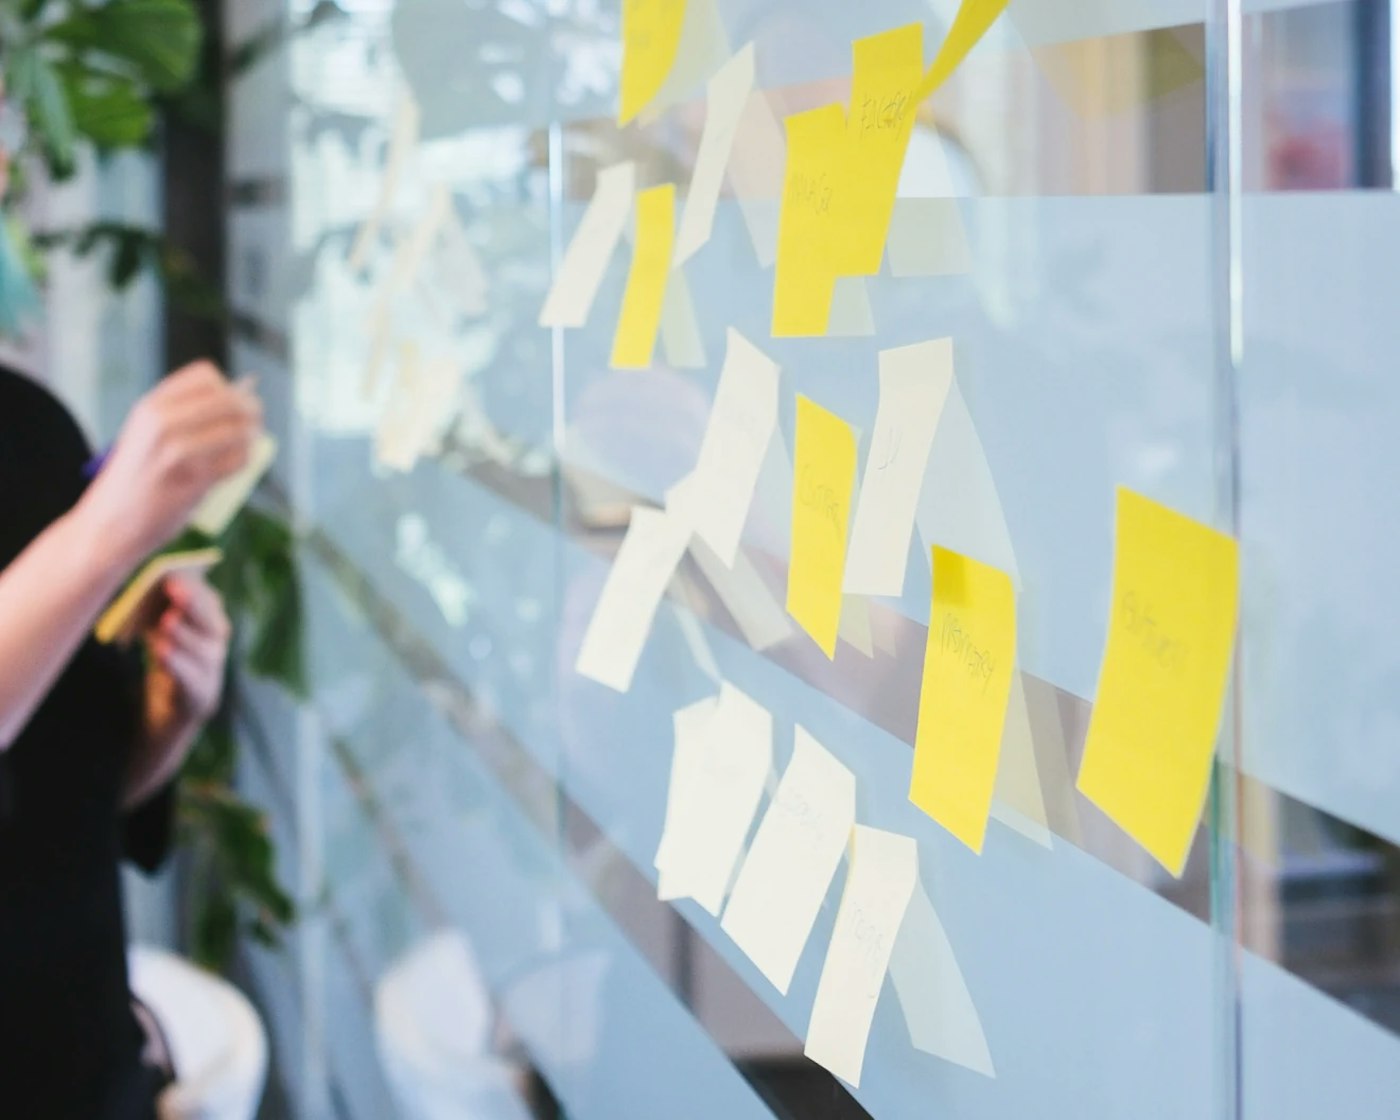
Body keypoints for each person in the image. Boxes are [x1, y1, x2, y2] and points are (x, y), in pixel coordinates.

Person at [0, 357, 262, 1118]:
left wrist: (168, 713)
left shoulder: (29, 422)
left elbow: (77, 803)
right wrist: (102, 533)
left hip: (90, 1062)